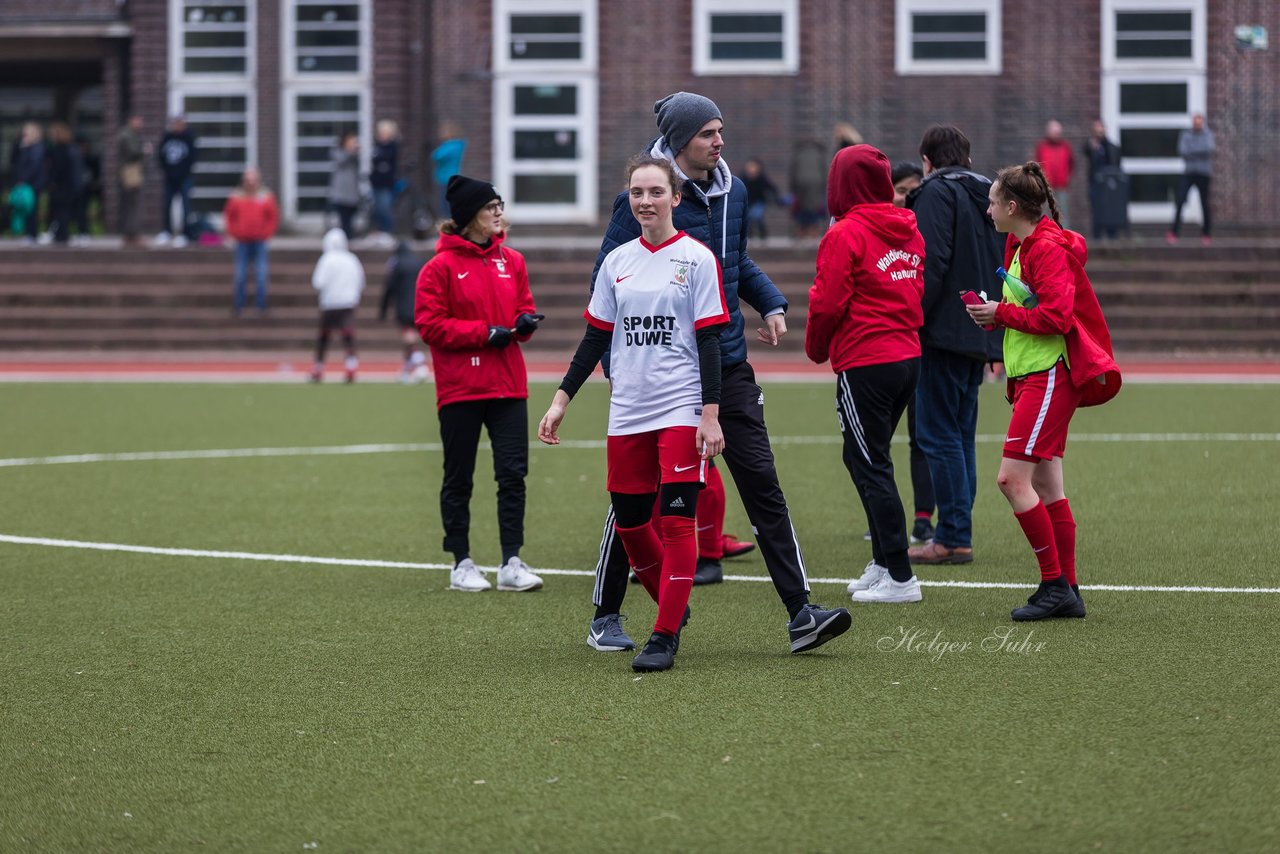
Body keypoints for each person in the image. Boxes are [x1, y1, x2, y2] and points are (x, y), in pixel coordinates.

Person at [584, 91, 851, 656]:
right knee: (634, 501)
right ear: (682, 142)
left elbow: (735, 259)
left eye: (719, 130)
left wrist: (770, 302)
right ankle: (607, 613)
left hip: (726, 365)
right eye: (708, 132)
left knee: (762, 483)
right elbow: (608, 284)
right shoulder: (636, 200)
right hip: (662, 377)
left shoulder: (736, 191)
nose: (719, 141)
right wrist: (619, 367)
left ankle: (801, 612)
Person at [540, 154, 728, 672]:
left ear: (676, 197)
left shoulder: (697, 258)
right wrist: (561, 399)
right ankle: (674, 599)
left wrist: (709, 414)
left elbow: (711, 339)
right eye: (636, 193)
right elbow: (596, 336)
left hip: (680, 406)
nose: (645, 201)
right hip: (627, 408)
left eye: (655, 192)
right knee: (629, 523)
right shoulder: (617, 261)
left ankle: (664, 635)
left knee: (674, 520)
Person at [966, 161, 1121, 620]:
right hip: (1037, 372)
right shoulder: (1024, 241)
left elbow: (1055, 317)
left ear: (1013, 206)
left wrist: (1000, 315)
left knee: (1010, 481)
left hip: (1049, 373)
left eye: (993, 201)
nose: (988, 208)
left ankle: (1055, 584)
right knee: (1047, 484)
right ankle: (1067, 589)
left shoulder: (1045, 248)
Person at [806, 145, 926, 604]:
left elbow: (828, 300)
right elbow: (916, 286)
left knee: (871, 462)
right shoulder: (908, 229)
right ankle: (883, 560)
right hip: (906, 357)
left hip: (867, 360)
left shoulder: (844, 234)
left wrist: (816, 348)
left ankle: (900, 576)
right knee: (861, 457)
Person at [415, 175, 544, 595]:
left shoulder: (514, 261)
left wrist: (523, 325)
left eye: (500, 205)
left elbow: (523, 310)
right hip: (462, 388)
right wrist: (483, 333)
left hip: (509, 385)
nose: (499, 213)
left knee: (513, 475)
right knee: (459, 477)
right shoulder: (438, 268)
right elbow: (430, 325)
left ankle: (511, 561)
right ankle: (462, 563)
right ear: (470, 216)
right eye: (491, 207)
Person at [904, 125, 1003, 566]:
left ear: (927, 160)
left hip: (942, 330)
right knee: (960, 435)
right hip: (982, 325)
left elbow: (931, 260)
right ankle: (958, 528)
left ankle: (952, 535)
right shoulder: (990, 193)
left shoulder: (934, 193)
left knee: (937, 434)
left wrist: (912, 318)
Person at [310, 227, 365, 383]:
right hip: (348, 302)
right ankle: (351, 365)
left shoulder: (326, 259)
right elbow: (360, 281)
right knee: (348, 335)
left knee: (324, 337)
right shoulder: (352, 259)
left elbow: (318, 282)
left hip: (330, 303)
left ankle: (318, 367)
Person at [223, 167, 279, 316]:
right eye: (248, 180)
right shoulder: (236, 197)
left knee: (261, 274)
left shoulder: (266, 196)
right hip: (242, 241)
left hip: (260, 241)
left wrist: (267, 233)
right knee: (240, 275)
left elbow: (272, 217)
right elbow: (229, 216)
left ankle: (261, 305)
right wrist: (234, 233)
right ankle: (238, 305)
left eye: (254, 180)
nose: (251, 183)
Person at [381, 240, 429, 383]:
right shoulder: (419, 262)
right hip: (420, 304)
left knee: (408, 334)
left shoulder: (397, 264)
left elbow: (389, 287)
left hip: (404, 305)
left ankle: (419, 363)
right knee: (410, 335)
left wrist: (383, 309)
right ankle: (407, 369)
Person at [1167, 113, 1215, 246]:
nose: (1197, 123)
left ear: (1203, 122)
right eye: (1195, 121)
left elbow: (1209, 149)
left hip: (1204, 174)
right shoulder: (1186, 135)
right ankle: (1174, 232)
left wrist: (1192, 151)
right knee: (1180, 200)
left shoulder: (1208, 134)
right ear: (1192, 122)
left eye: (1199, 121)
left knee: (1204, 204)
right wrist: (1199, 152)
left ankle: (1206, 233)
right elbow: (1182, 151)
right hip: (1188, 173)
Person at [156, 114, 196, 247]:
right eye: (175, 123)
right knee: (167, 205)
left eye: (180, 123)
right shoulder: (167, 137)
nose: (177, 126)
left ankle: (185, 234)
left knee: (185, 206)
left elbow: (193, 158)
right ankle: (166, 231)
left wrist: (183, 172)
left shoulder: (189, 137)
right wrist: (168, 171)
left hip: (184, 178)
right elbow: (160, 156)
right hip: (169, 179)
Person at [1083, 120, 1123, 240]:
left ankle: (1112, 236)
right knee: (1096, 210)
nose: (1099, 131)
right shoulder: (1091, 147)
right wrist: (1093, 148)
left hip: (1109, 185)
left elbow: (1116, 162)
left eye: (1100, 128)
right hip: (1096, 184)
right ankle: (1097, 236)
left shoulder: (1111, 147)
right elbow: (1085, 150)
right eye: (1096, 129)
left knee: (1111, 210)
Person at [43, 123, 82, 246]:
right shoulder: (71, 149)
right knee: (63, 211)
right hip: (68, 186)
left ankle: (61, 235)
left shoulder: (58, 151)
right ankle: (62, 234)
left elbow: (57, 169)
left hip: (60, 186)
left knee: (60, 211)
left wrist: (51, 181)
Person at [8, 123, 46, 243]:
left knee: (31, 209)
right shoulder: (22, 146)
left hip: (32, 184)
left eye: (27, 133)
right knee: (20, 208)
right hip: (23, 183)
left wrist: (23, 181)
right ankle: (24, 233)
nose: (25, 136)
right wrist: (19, 147)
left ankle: (31, 234)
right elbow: (13, 161)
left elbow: (32, 167)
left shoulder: (37, 147)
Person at [1034, 120, 1074, 227]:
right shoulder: (1042, 146)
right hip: (1046, 185)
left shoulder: (1066, 146)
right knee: (1045, 211)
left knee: (1062, 210)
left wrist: (1066, 177)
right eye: (1054, 131)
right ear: (1048, 132)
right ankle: (1044, 232)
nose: (1056, 134)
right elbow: (1037, 163)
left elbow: (1071, 163)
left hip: (1061, 185)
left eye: (1058, 131)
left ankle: (1064, 233)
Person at [117, 115, 147, 247]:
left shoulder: (130, 134)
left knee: (132, 203)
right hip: (130, 171)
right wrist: (144, 151)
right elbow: (132, 153)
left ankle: (131, 234)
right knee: (132, 203)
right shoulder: (127, 135)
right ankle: (131, 234)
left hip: (132, 171)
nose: (140, 124)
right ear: (131, 121)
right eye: (138, 121)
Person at [789, 137, 827, 238]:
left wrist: (792, 188)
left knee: (801, 208)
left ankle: (801, 231)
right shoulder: (820, 153)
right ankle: (813, 231)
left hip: (800, 183)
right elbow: (824, 170)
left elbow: (793, 171)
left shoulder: (798, 153)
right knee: (815, 207)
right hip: (817, 184)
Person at [370, 119, 399, 242]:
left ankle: (387, 231)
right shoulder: (378, 146)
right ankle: (380, 231)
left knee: (385, 207)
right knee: (378, 207)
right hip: (376, 182)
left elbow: (387, 161)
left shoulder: (392, 147)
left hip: (386, 183)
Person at [328, 131, 361, 239]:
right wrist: (351, 151)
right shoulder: (338, 152)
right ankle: (344, 236)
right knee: (343, 216)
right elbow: (342, 160)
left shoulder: (355, 155)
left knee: (351, 215)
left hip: (352, 191)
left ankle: (350, 234)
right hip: (341, 191)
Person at [431, 122, 466, 218]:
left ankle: (449, 223)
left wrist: (443, 145)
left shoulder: (451, 145)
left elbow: (436, 156)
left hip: (446, 178)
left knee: (445, 203)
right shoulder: (458, 145)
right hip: (448, 177)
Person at [742, 157, 781, 240]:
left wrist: (775, 197)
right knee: (748, 218)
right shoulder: (744, 178)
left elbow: (771, 187)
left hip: (759, 201)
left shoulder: (762, 178)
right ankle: (750, 234)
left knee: (757, 216)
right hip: (748, 202)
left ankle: (762, 234)